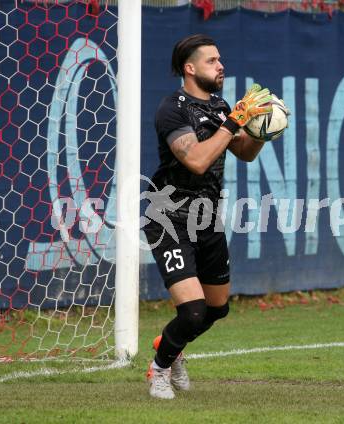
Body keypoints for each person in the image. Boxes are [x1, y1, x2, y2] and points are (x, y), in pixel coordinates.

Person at [144, 34, 284, 399]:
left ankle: (167, 345)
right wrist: (233, 121)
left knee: (217, 309)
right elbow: (196, 159)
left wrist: (262, 129)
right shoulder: (171, 108)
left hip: (206, 217)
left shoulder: (221, 107)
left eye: (220, 59)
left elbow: (246, 154)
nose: (221, 65)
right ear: (190, 68)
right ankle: (159, 369)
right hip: (168, 215)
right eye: (212, 61)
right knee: (192, 311)